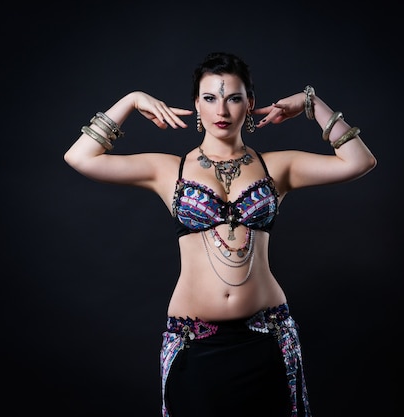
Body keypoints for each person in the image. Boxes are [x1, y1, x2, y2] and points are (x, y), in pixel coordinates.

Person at [64, 51, 376, 417]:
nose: (222, 111)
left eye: (233, 98)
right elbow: (81, 156)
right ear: (196, 105)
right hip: (194, 344)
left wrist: (312, 103)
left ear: (250, 104)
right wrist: (131, 100)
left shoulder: (277, 167)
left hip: (266, 339)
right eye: (210, 98)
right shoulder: (169, 171)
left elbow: (359, 161)